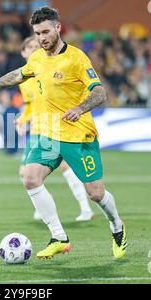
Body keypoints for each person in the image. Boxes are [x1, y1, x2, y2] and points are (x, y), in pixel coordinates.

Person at [0, 7, 126, 260]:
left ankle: (117, 226)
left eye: (45, 31)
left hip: (78, 134)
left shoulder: (77, 58)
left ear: (58, 28)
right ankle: (59, 237)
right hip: (47, 133)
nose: (41, 37)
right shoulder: (37, 58)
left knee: (96, 192)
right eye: (37, 33)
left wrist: (80, 108)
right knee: (29, 177)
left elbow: (100, 93)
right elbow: (19, 74)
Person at [16, 35, 94, 222]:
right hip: (37, 127)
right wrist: (22, 119)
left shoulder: (46, 70)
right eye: (30, 47)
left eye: (37, 46)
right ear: (23, 52)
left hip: (53, 125)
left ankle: (85, 209)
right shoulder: (24, 79)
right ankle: (46, 204)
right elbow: (31, 105)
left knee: (64, 165)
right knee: (24, 173)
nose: (35, 49)